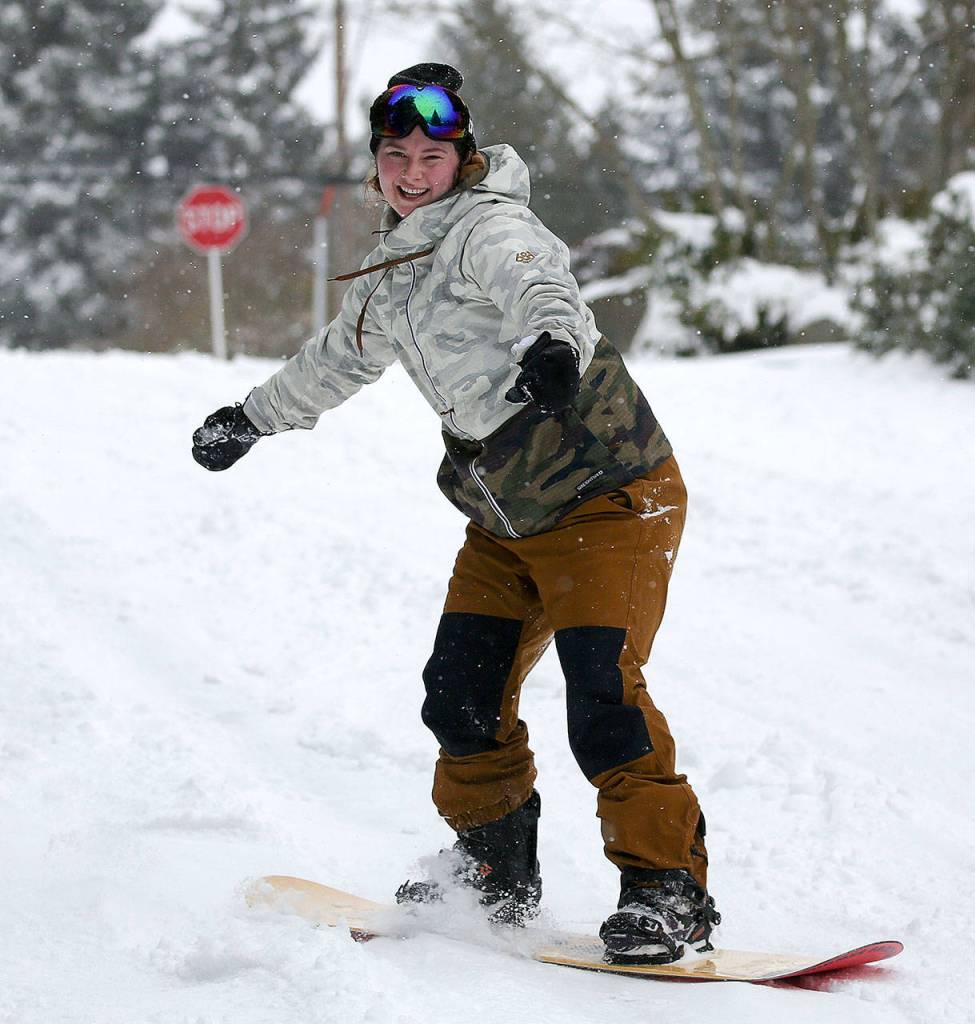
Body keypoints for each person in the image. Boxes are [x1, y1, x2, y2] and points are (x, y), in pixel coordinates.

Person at [192, 62, 719, 965]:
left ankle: (666, 891)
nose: (411, 173)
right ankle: (493, 869)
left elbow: (542, 289)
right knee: (461, 695)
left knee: (604, 694)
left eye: (430, 156)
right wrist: (251, 417)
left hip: (607, 500)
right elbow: (336, 360)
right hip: (507, 520)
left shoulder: (490, 228)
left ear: (462, 157)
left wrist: (553, 346)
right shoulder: (392, 269)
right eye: (395, 156)